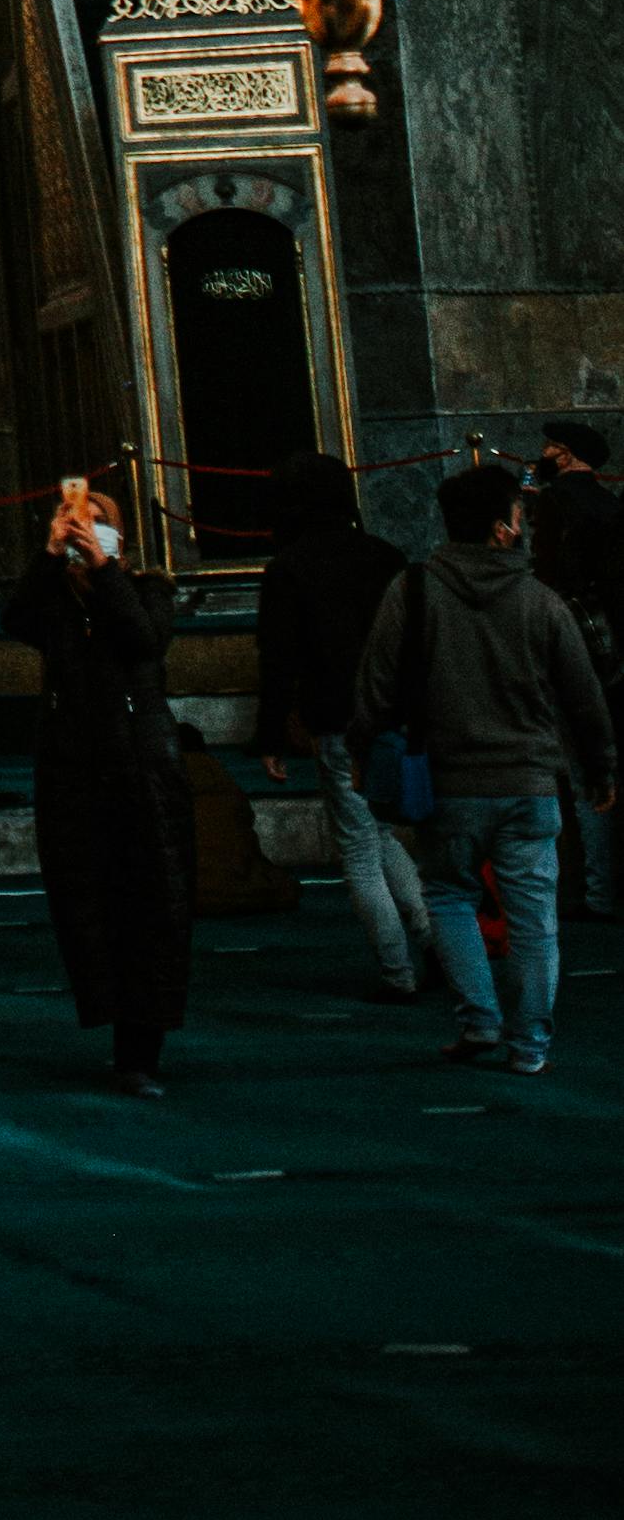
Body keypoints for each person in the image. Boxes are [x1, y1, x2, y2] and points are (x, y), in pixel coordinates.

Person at [355, 456, 616, 1082]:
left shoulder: (413, 589)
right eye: (520, 515)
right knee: (533, 914)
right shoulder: (539, 600)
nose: (524, 524)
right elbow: (584, 695)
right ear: (503, 528)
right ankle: (530, 1042)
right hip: (530, 781)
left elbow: (375, 685)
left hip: (446, 781)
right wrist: (601, 768)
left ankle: (478, 1019)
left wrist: (364, 753)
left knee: (448, 895)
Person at [13, 478, 193, 1095]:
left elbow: (143, 641)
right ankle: (114, 1019)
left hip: (139, 764)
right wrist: (48, 554)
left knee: (151, 900)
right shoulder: (54, 601)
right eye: (72, 518)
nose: (82, 526)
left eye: (94, 519)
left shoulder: (147, 589)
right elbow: (15, 619)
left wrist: (105, 569)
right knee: (88, 900)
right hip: (74, 766)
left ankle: (142, 1047)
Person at [253, 454, 432, 1001]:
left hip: (334, 716)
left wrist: (270, 733)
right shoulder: (385, 556)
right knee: (381, 834)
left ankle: (398, 968)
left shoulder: (290, 566)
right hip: (394, 715)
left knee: (357, 844)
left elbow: (279, 659)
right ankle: (432, 936)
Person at [529, 420, 624, 916]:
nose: (543, 453)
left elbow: (550, 574)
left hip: (573, 643)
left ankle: (597, 889)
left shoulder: (554, 504)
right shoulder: (611, 506)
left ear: (564, 455)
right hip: (612, 645)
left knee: (583, 765)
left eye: (550, 446)